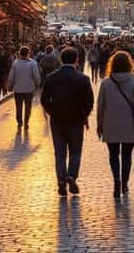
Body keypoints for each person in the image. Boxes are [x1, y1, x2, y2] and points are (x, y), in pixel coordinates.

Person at [40, 47, 94, 197]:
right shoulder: (83, 79)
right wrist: (83, 115)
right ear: (76, 60)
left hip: (57, 121)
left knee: (60, 154)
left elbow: (44, 99)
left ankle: (61, 182)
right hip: (76, 121)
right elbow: (89, 102)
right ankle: (71, 175)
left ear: (61, 59)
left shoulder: (51, 77)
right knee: (76, 151)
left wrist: (52, 111)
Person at [97, 50, 134, 198]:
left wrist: (99, 124)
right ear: (129, 64)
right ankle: (125, 183)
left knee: (113, 155)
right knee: (126, 155)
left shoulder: (106, 83)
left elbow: (100, 106)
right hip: (130, 124)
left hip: (110, 124)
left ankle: (116, 181)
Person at [7, 46, 41, 131]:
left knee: (18, 107)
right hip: (29, 90)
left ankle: (19, 122)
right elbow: (36, 76)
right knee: (28, 108)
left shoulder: (15, 63)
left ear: (20, 53)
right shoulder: (33, 63)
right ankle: (26, 122)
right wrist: (38, 84)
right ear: (28, 53)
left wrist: (10, 86)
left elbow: (11, 76)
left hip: (18, 89)